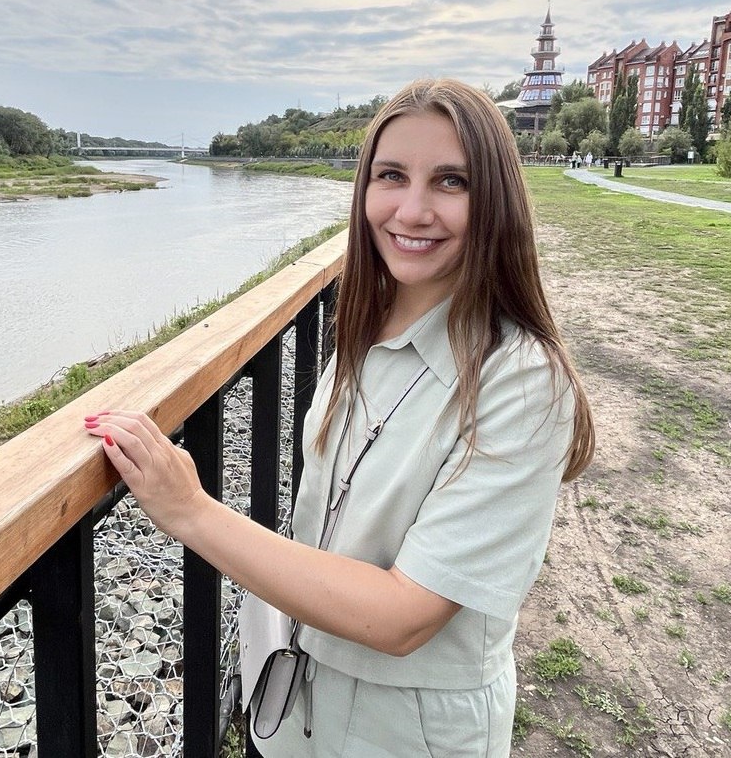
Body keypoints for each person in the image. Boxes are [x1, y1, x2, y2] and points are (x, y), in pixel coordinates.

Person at [84, 78, 594, 757]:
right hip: (301, 710)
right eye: (392, 176)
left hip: (403, 736)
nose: (412, 210)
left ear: (496, 199)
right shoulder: (367, 321)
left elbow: (403, 615)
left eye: (451, 181)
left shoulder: (522, 382)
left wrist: (191, 510)